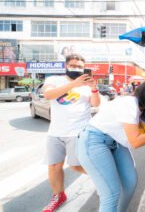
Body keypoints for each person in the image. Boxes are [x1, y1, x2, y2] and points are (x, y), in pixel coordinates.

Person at [77, 80, 145, 212]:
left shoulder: (144, 111)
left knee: (130, 182)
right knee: (111, 193)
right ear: (144, 93)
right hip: (94, 141)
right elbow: (136, 142)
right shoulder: (129, 103)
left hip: (114, 142)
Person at [42, 54, 101, 212]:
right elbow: (48, 95)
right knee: (54, 166)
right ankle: (58, 196)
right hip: (55, 132)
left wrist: (94, 88)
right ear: (66, 66)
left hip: (78, 131)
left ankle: (105, 181)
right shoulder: (54, 80)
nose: (77, 68)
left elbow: (96, 104)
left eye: (80, 66)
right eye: (73, 65)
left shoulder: (86, 84)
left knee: (76, 165)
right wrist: (73, 84)